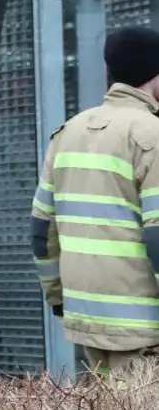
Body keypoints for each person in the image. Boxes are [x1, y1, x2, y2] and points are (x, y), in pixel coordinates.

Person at [32, 26, 159, 381]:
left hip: (88, 317)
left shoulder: (68, 131)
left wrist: (58, 300)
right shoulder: (151, 135)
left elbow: (41, 231)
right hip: (144, 326)